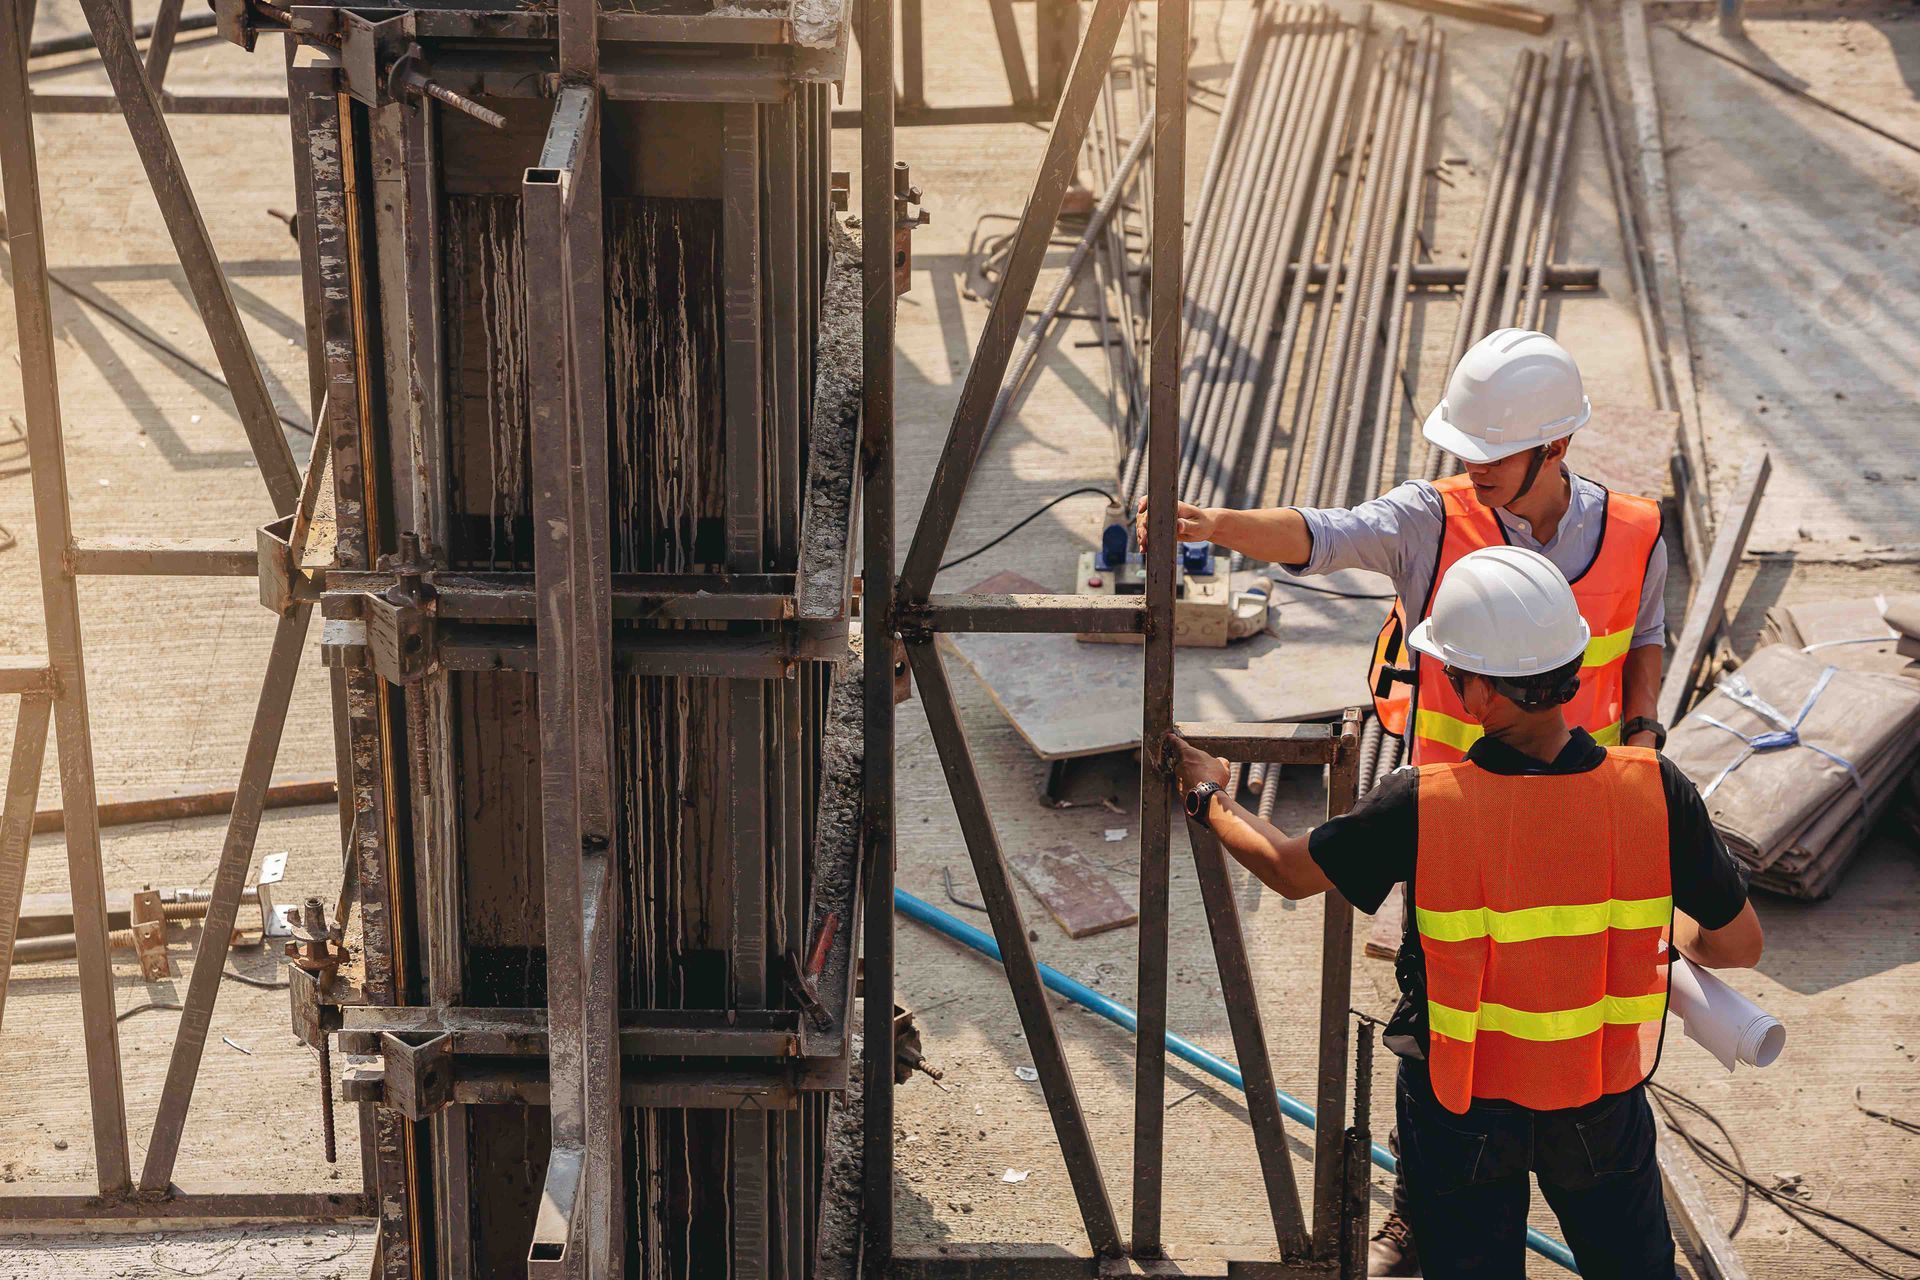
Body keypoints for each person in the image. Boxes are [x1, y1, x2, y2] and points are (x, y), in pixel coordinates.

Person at [1141, 328, 1670, 1271]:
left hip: (1579, 811)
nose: (1470, 467)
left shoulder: (1634, 530)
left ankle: (1492, 1183)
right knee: (1453, 1001)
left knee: (1564, 1001)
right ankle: (1430, 1206)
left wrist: (1641, 734)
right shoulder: (1435, 518)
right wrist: (1214, 523)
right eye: (1461, 447)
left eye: (1491, 451)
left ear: (1555, 446)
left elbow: (1646, 639)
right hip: (1459, 824)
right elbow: (1325, 534)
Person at [1165, 546, 1762, 1280]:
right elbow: (1737, 943)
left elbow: (1287, 871)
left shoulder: (1426, 799)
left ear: (1482, 695)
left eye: (1451, 672)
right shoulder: (1653, 789)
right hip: (1599, 1098)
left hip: (1463, 1101)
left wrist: (1207, 796)